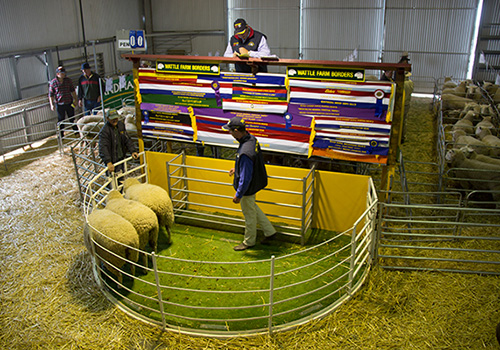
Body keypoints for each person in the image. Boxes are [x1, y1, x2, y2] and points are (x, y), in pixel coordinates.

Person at [223, 117, 276, 251]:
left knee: (249, 215)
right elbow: (249, 165)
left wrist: (238, 194)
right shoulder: (251, 139)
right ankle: (270, 232)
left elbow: (245, 178)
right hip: (256, 182)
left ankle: (249, 241)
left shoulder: (245, 151)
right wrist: (237, 168)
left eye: (231, 131)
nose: (230, 134)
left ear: (236, 131)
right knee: (252, 207)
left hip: (248, 187)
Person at [98, 109, 138, 176]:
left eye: (116, 118)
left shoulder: (120, 125)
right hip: (112, 160)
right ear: (107, 119)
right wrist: (108, 162)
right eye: (112, 118)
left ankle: (121, 186)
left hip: (121, 157)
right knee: (112, 179)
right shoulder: (105, 131)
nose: (115, 120)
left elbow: (127, 139)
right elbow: (103, 147)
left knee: (121, 177)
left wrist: (133, 150)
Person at [48, 66, 78, 136]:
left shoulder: (68, 81)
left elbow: (72, 91)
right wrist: (51, 104)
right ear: (57, 74)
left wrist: (75, 99)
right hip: (59, 104)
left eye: (64, 73)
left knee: (72, 118)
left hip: (69, 102)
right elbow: (51, 95)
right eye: (61, 73)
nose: (63, 74)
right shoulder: (53, 82)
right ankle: (61, 135)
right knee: (61, 120)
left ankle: (76, 132)